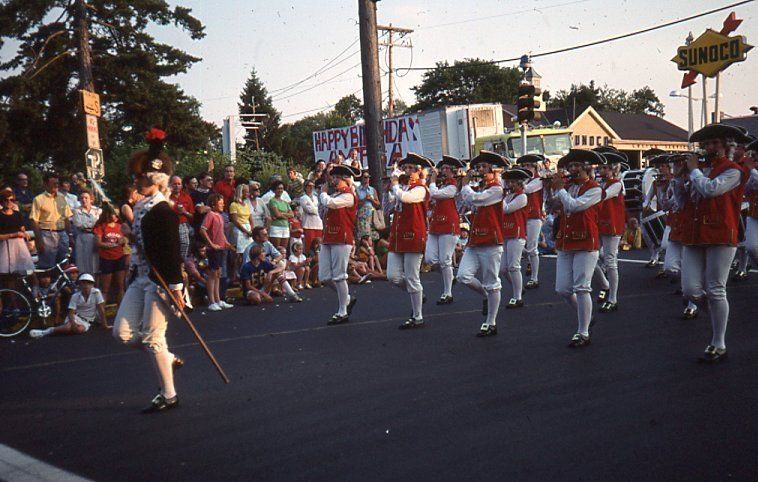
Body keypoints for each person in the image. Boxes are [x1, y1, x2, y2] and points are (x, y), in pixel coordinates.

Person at [112, 127, 185, 413]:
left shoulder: (164, 211)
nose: (136, 181)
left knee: (153, 338)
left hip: (160, 282)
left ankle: (169, 395)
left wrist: (176, 290)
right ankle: (167, 358)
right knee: (122, 333)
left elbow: (172, 254)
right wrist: (131, 235)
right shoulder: (142, 206)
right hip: (140, 278)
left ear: (155, 180)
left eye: (141, 177)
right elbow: (145, 243)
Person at [678, 124, 748, 363]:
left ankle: (719, 342)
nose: (709, 147)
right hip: (695, 233)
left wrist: (694, 172)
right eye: (706, 144)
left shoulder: (734, 170)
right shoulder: (701, 170)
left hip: (720, 234)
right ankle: (718, 314)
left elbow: (711, 190)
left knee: (716, 288)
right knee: (690, 289)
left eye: (715, 143)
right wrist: (679, 179)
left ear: (727, 145)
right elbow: (683, 202)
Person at [551, 149, 604, 348]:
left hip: (585, 241)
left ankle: (583, 332)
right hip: (566, 240)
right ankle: (587, 318)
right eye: (570, 166)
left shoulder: (595, 189)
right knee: (563, 289)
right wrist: (550, 189)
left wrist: (560, 190)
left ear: (586, 168)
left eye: (576, 166)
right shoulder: (568, 187)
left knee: (582, 287)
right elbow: (553, 207)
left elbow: (575, 206)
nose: (572, 169)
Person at [457, 150, 508, 337]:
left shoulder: (497, 189)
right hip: (475, 240)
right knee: (463, 276)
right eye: (479, 167)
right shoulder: (481, 187)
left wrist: (464, 186)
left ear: (495, 170)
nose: (480, 170)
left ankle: (491, 322)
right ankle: (486, 296)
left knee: (492, 282)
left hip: (491, 241)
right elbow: (466, 203)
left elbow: (476, 200)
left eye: (484, 167)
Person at [387, 153, 432, 329]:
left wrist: (395, 185)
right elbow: (391, 204)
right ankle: (418, 294)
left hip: (413, 235)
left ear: (419, 171)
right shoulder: (403, 187)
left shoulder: (420, 188)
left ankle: (417, 315)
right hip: (398, 236)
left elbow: (406, 198)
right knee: (393, 276)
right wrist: (393, 187)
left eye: (411, 168)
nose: (407, 171)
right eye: (405, 168)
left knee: (412, 277)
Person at [319, 164, 360, 325]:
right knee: (324, 276)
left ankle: (342, 310)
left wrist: (322, 194)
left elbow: (331, 204)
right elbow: (324, 210)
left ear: (343, 179)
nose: (333, 180)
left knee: (339, 275)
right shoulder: (335, 194)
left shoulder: (348, 195)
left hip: (342, 238)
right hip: (328, 236)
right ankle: (347, 298)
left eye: (336, 177)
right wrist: (323, 199)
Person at [662, 153, 699, 320]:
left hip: (689, 226)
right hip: (676, 227)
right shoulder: (674, 182)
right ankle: (688, 288)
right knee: (670, 267)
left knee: (689, 267)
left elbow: (688, 200)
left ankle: (692, 305)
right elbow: (667, 205)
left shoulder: (694, 179)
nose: (676, 167)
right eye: (675, 165)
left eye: (679, 164)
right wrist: (662, 191)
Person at [592, 148, 627, 313]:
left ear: (613, 169)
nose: (601, 170)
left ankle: (613, 298)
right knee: (592, 257)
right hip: (599, 223)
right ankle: (605, 285)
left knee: (610, 261)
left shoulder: (616, 184)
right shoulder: (601, 183)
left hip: (612, 224)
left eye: (604, 168)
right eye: (600, 167)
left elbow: (602, 196)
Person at [426, 156, 463, 305]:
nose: (443, 170)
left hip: (448, 225)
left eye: (446, 168)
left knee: (445, 260)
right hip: (436, 225)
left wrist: (432, 180)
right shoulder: (442, 185)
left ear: (453, 171)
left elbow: (434, 194)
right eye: (443, 168)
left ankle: (447, 293)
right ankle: (450, 277)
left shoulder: (453, 186)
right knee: (430, 259)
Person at [30, 273, 106, 338]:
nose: (86, 286)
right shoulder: (75, 296)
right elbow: (71, 313)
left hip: (87, 321)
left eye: (89, 283)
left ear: (92, 285)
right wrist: (73, 324)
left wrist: (104, 324)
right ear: (80, 285)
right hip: (75, 317)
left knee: (79, 330)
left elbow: (101, 309)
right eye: (83, 283)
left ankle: (61, 329)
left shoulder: (96, 292)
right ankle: (47, 331)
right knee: (68, 328)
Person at [499, 167, 531, 309]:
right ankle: (518, 288)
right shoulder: (508, 196)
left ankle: (517, 297)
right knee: (503, 269)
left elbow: (506, 209)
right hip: (506, 232)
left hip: (517, 233)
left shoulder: (522, 197)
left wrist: (500, 197)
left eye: (512, 182)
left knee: (513, 266)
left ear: (519, 183)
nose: (509, 185)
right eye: (508, 182)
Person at [29, 173, 73, 269]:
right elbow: (34, 220)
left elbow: (66, 218)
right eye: (53, 183)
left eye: (57, 183)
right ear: (45, 184)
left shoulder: (62, 197)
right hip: (47, 234)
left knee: (63, 264)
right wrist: (39, 240)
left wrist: (69, 235)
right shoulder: (38, 199)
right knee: (47, 265)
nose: (56, 185)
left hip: (62, 234)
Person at [199, 193, 234, 312]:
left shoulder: (220, 216)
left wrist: (227, 243)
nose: (223, 205)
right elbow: (203, 230)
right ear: (214, 204)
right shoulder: (210, 215)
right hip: (213, 249)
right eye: (220, 203)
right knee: (212, 274)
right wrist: (211, 244)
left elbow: (221, 232)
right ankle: (212, 301)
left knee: (218, 273)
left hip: (220, 248)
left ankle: (218, 299)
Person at [516, 154, 546, 289]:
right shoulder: (525, 180)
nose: (527, 168)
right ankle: (530, 262)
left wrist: (518, 180)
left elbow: (527, 189)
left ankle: (534, 278)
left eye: (529, 166)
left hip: (534, 216)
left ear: (535, 167)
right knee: (521, 245)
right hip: (522, 215)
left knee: (532, 247)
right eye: (524, 166)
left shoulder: (538, 180)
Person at [94, 203, 128, 305]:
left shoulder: (120, 226)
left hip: (119, 257)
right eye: (114, 214)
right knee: (105, 288)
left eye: (118, 215)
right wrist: (109, 245)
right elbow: (98, 243)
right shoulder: (101, 226)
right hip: (106, 258)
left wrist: (124, 240)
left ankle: (121, 309)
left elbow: (126, 239)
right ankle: (101, 311)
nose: (116, 217)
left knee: (120, 286)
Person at [0, 190, 34, 279]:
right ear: (1, 201)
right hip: (5, 246)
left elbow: (22, 229)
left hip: (20, 246)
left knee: (29, 272)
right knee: (9, 276)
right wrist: (13, 235)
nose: (9, 202)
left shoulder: (17, 214)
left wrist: (26, 237)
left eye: (12, 200)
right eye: (6, 200)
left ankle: (34, 288)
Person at [71, 190, 101, 277]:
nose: (84, 200)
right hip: (82, 237)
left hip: (95, 237)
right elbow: (79, 224)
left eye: (86, 198)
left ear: (91, 199)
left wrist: (92, 226)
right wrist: (93, 225)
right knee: (82, 262)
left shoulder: (98, 210)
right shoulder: (76, 211)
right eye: (82, 198)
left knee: (95, 261)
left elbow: (99, 224)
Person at [229, 184, 254, 278]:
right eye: (246, 192)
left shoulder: (246, 205)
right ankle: (234, 275)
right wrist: (245, 231)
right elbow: (235, 220)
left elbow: (250, 218)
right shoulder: (234, 205)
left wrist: (251, 229)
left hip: (247, 228)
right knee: (238, 254)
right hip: (239, 230)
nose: (248, 194)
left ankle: (245, 273)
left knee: (247, 252)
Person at [169, 175, 195, 260]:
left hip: (183, 224)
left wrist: (184, 212)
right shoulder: (166, 197)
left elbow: (192, 215)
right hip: (170, 225)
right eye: (174, 184)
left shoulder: (187, 197)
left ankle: (181, 263)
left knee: (185, 244)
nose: (177, 186)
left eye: (179, 184)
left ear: (181, 185)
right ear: (170, 185)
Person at [355, 171, 381, 241]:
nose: (367, 179)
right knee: (365, 236)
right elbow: (356, 205)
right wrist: (365, 199)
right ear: (361, 179)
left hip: (372, 215)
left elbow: (378, 204)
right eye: (365, 177)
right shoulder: (357, 190)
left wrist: (371, 199)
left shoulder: (372, 190)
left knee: (374, 236)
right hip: (362, 216)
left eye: (368, 177)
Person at [298, 180, 323, 254]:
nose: (311, 188)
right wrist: (317, 210)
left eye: (312, 186)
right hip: (308, 225)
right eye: (309, 186)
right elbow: (308, 210)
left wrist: (316, 209)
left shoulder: (316, 198)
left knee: (319, 245)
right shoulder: (303, 198)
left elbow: (320, 208)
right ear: (305, 187)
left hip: (318, 224)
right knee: (309, 245)